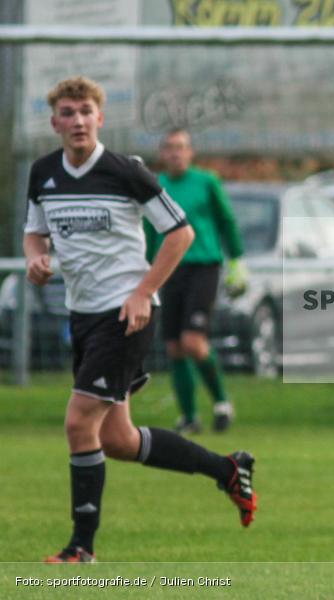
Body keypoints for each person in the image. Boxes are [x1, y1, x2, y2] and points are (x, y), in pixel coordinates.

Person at [24, 76, 257, 563]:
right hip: (84, 315)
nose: (78, 120)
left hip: (125, 315)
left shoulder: (125, 171)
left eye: (86, 111)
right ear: (55, 122)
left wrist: (142, 293)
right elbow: (35, 231)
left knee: (78, 422)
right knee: (117, 439)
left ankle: (81, 547)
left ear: (100, 118)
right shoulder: (43, 173)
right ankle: (228, 470)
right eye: (68, 112)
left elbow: (180, 233)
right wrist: (35, 257)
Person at [145, 129, 247, 434]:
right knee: (174, 347)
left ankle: (221, 401)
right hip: (168, 269)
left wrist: (237, 260)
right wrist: (145, 268)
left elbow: (226, 220)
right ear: (161, 153)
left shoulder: (206, 182)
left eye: (181, 147)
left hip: (203, 266)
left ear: (190, 152)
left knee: (193, 342)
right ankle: (189, 416)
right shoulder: (155, 186)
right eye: (169, 147)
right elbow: (149, 230)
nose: (175, 153)